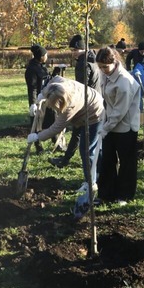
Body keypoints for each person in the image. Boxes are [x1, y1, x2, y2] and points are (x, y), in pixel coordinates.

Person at [26, 76, 105, 217]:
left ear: (61, 102)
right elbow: (49, 84)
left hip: (94, 113)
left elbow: (56, 127)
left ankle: (91, 182)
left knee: (87, 150)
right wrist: (38, 99)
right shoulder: (57, 83)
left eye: (53, 106)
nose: (51, 107)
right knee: (91, 148)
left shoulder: (70, 106)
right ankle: (97, 173)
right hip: (85, 105)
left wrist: (38, 136)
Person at [95, 47, 141, 204]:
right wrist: (104, 122)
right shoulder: (105, 75)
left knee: (126, 162)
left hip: (126, 126)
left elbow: (120, 110)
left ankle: (124, 195)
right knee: (107, 160)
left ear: (114, 62)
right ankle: (106, 194)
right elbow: (107, 102)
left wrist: (105, 128)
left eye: (104, 67)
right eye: (99, 67)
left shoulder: (124, 82)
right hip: (110, 123)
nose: (102, 70)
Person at [48, 49, 101, 169]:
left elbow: (82, 86)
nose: (73, 52)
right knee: (81, 134)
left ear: (84, 49)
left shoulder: (84, 64)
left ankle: (71, 162)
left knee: (81, 136)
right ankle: (68, 159)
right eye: (72, 49)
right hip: (93, 101)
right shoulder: (92, 60)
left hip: (87, 104)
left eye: (75, 49)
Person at [25, 44, 55, 153]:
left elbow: (46, 80)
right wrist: (33, 103)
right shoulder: (32, 69)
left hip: (47, 98)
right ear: (41, 56)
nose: (47, 56)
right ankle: (38, 147)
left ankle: (55, 141)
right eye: (45, 54)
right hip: (38, 100)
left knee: (52, 119)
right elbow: (32, 88)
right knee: (37, 123)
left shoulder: (42, 66)